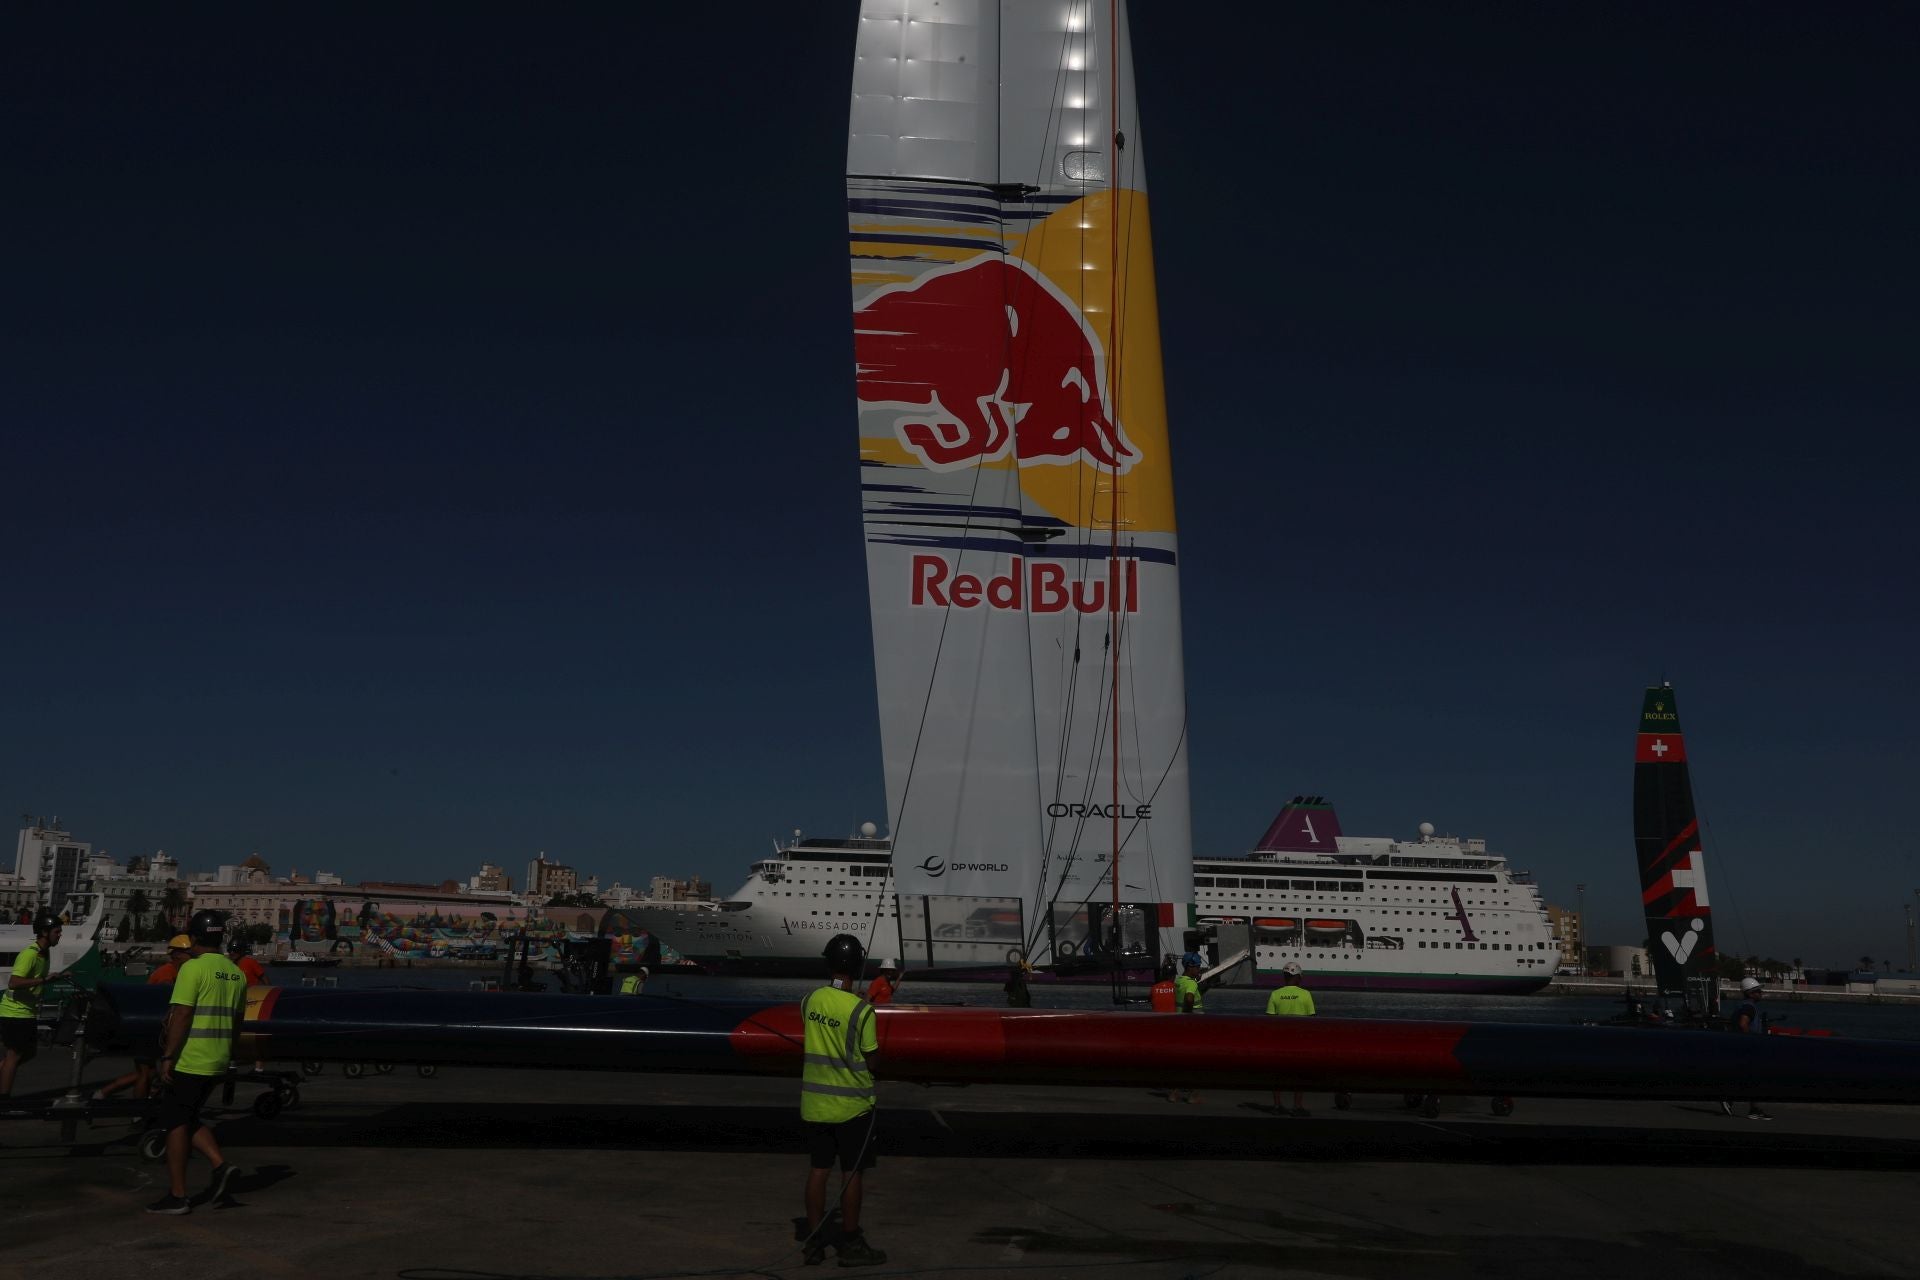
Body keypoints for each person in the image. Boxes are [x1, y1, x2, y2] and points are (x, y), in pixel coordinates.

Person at [146, 910, 249, 1215]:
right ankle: (219, 1166)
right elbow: (239, 1021)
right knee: (189, 1115)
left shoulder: (192, 969)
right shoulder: (236, 973)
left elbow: (182, 1015)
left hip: (191, 1058)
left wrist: (167, 1056)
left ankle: (178, 1195)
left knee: (175, 1121)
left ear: (194, 938)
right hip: (217, 1058)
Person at [799, 934, 885, 1267]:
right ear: (859, 965)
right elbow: (872, 1059)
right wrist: (857, 1003)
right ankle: (850, 1244)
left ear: (829, 963)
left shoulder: (809, 1000)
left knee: (818, 1170)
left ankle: (813, 1242)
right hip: (853, 1108)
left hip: (815, 1105)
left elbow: (822, 1024)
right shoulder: (863, 1011)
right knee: (851, 1174)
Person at [95, 936, 193, 1101]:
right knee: (145, 1073)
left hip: (154, 1028)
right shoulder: (168, 974)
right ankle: (138, 1112)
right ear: (177, 954)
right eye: (189, 954)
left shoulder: (177, 972)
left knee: (148, 1072)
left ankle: (103, 1094)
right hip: (149, 1028)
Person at [2, 910, 66, 1097]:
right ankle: (4, 1101)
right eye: (57, 931)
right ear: (45, 933)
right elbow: (14, 983)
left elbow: (38, 979)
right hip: (15, 1012)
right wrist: (45, 980)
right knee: (14, 1056)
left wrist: (56, 978)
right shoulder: (29, 954)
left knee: (29, 1053)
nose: (60, 935)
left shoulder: (44, 954)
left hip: (26, 1012)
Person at [1265, 962, 1316, 1117]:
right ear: (1299, 977)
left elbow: (1269, 1020)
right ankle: (1297, 1106)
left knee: (1277, 1075)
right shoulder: (1306, 994)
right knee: (1299, 1075)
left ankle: (1277, 1105)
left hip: (1279, 1042)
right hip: (1299, 1042)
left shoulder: (1275, 994)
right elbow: (1312, 1019)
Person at [1721, 977, 1772, 1120]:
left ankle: (1736, 1102)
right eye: (1758, 991)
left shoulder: (1743, 1005)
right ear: (1750, 993)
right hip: (1748, 1047)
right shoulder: (1749, 1007)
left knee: (1748, 1077)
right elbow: (1744, 1024)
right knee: (1753, 1078)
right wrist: (1750, 1041)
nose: (1761, 993)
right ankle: (1751, 1108)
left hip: (1740, 1046)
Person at [1168, 953, 1207, 1104]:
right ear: (1190, 967)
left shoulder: (1177, 980)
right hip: (1192, 1027)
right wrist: (1189, 1015)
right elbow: (1189, 998)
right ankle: (1193, 1094)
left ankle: (1174, 1092)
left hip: (1178, 1024)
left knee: (1181, 1061)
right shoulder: (1191, 983)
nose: (1199, 970)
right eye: (1197, 967)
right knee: (1195, 1062)